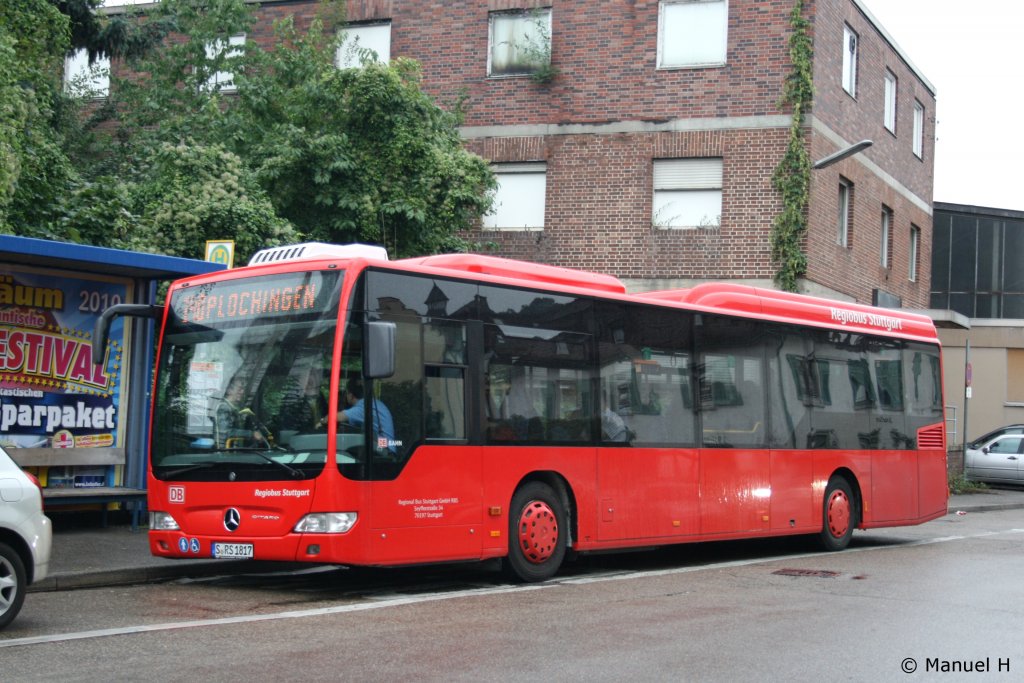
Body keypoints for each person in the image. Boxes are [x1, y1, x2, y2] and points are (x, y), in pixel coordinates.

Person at [322, 379, 396, 453]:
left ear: (351, 396)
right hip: (385, 446)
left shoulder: (362, 408)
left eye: (347, 393)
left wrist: (321, 422)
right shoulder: (373, 403)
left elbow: (333, 418)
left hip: (385, 451)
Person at [215, 376, 262, 447]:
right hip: (224, 452)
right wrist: (251, 434)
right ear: (229, 390)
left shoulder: (233, 408)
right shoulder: (223, 407)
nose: (242, 392)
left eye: (243, 389)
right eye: (240, 389)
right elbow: (226, 432)